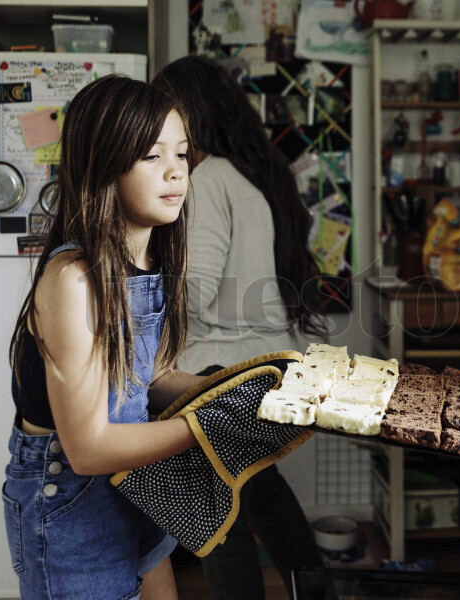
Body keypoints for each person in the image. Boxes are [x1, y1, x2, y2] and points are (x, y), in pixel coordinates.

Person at [3, 74, 205, 600]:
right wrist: (211, 426)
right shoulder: (74, 278)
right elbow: (89, 448)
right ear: (103, 164)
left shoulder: (151, 256)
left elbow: (148, 378)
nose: (175, 171)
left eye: (182, 153)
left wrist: (247, 388)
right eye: (151, 155)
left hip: (132, 479)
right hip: (69, 498)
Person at [152, 55, 327, 600]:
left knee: (219, 523)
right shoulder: (256, 173)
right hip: (270, 368)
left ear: (191, 114)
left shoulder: (209, 179)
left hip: (223, 371)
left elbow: (196, 292)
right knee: (262, 493)